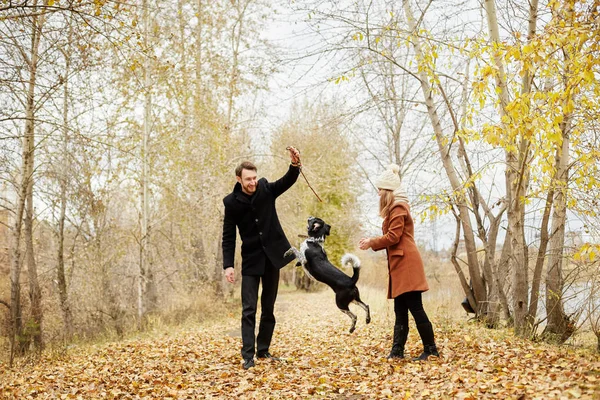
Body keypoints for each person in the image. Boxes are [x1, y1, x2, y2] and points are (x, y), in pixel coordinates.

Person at [222, 147, 301, 370]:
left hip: (273, 259)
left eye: (254, 177)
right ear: (239, 179)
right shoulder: (231, 202)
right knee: (249, 309)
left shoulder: (265, 188)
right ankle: (248, 355)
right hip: (250, 261)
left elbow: (286, 181)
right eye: (248, 179)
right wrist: (228, 265)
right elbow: (228, 236)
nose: (253, 182)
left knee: (268, 308)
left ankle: (263, 350)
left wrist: (294, 165)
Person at [358, 164, 439, 361]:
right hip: (400, 264)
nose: (378, 194)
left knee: (415, 308)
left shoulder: (399, 208)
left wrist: (371, 242)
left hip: (407, 264)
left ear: (387, 191)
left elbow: (393, 237)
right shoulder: (394, 208)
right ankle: (397, 351)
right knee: (400, 310)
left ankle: (431, 350)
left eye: (380, 190)